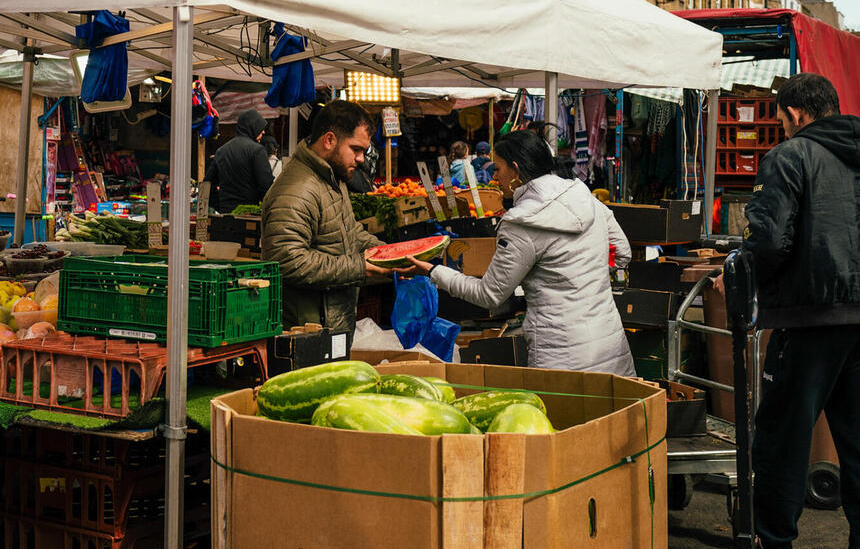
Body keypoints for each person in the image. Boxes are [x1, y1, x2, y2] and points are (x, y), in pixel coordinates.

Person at [724, 73, 860, 549]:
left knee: (784, 437)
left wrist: (745, 282)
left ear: (793, 113)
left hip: (809, 318)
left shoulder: (790, 157)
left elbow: (768, 238)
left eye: (782, 117)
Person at [400, 130, 633, 372]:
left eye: (498, 169)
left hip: (560, 356)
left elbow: (489, 295)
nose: (494, 178)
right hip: (610, 345)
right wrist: (587, 272)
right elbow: (623, 251)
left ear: (515, 170)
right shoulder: (583, 195)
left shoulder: (521, 223)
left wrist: (433, 271)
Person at [260, 100, 385, 331]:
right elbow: (288, 261)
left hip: (331, 322)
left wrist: (388, 255)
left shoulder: (332, 177)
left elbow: (348, 230)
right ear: (329, 140)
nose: (361, 159)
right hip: (306, 330)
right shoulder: (297, 190)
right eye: (356, 149)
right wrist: (360, 267)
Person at [208, 110, 275, 215]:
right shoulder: (257, 151)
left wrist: (221, 206)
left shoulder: (221, 151)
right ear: (252, 127)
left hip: (226, 215)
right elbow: (266, 186)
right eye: (260, 128)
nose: (263, 132)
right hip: (250, 215)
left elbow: (207, 186)